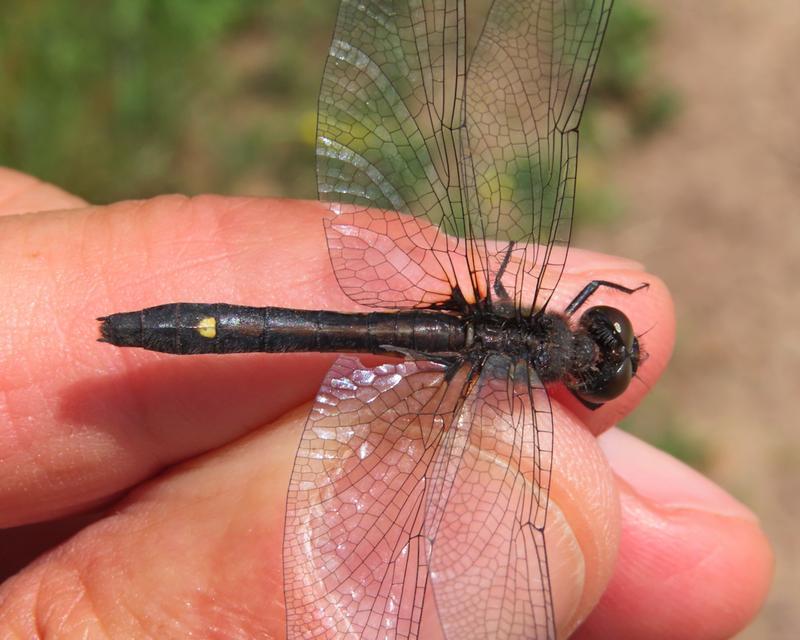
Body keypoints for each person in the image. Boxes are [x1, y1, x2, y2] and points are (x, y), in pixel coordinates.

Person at [0, 167, 772, 638]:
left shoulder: (536, 308)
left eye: (605, 351)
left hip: (446, 319)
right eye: (608, 332)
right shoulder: (529, 393)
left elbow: (583, 285)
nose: (609, 342)